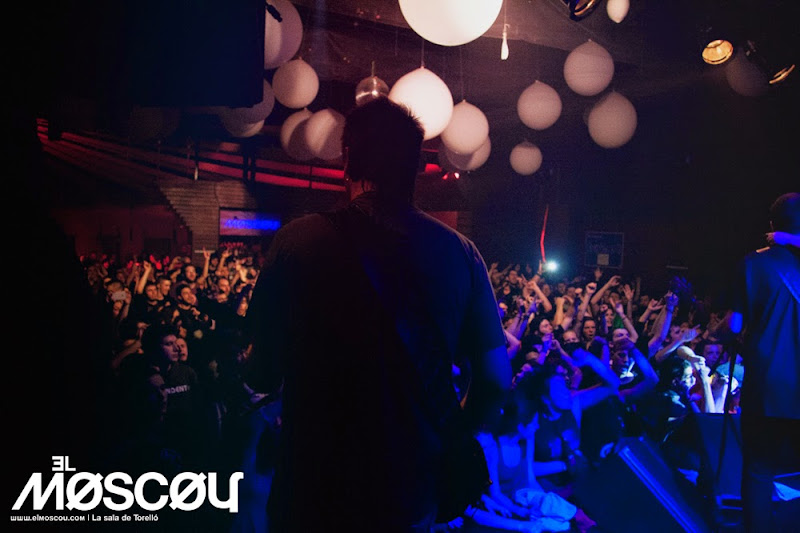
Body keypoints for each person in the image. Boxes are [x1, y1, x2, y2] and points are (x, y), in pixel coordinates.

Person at [245, 97, 512, 533]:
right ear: (414, 167)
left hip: (313, 486)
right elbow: (496, 380)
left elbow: (261, 373)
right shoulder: (461, 253)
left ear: (347, 160)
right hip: (408, 490)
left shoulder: (297, 241)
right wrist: (448, 433)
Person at [711, 192, 800, 532]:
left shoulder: (754, 264)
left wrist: (715, 333)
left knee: (759, 471)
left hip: (768, 387)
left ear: (773, 224)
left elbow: (733, 326)